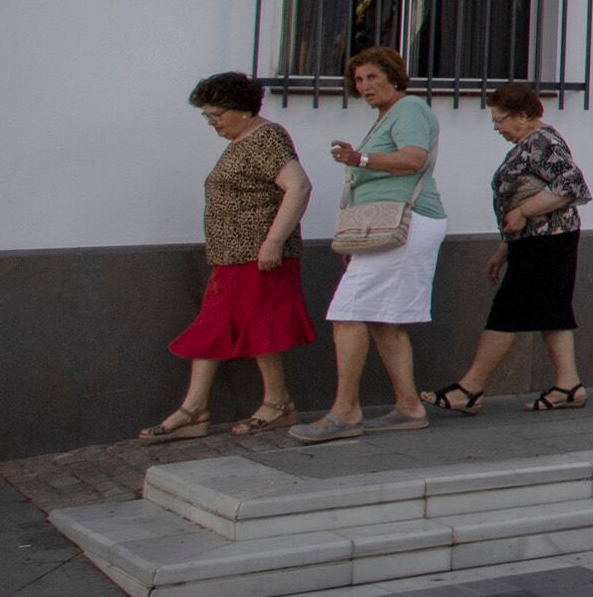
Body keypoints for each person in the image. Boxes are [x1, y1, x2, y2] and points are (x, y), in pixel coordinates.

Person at [141, 72, 316, 439]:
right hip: (231, 256)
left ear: (243, 110)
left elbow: (298, 186)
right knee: (216, 327)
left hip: (258, 256)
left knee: (259, 326)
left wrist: (272, 243)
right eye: (208, 116)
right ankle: (197, 410)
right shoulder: (242, 141)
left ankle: (275, 404)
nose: (213, 122)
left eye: (217, 114)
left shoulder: (266, 137)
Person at [291, 46, 443, 444]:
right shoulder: (390, 116)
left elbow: (412, 159)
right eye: (358, 80)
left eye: (372, 77)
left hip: (403, 223)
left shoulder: (408, 109)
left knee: (348, 313)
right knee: (382, 320)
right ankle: (409, 407)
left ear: (394, 76)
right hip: (392, 226)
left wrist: (359, 160)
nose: (364, 86)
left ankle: (345, 411)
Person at [428, 84, 592, 415]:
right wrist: (504, 249)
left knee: (507, 311)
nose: (497, 128)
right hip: (539, 240)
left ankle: (470, 388)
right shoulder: (531, 143)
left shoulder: (543, 142)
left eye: (500, 120)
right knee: (553, 311)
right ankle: (568, 385)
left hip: (547, 241)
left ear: (522, 116)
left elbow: (572, 184)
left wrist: (522, 212)